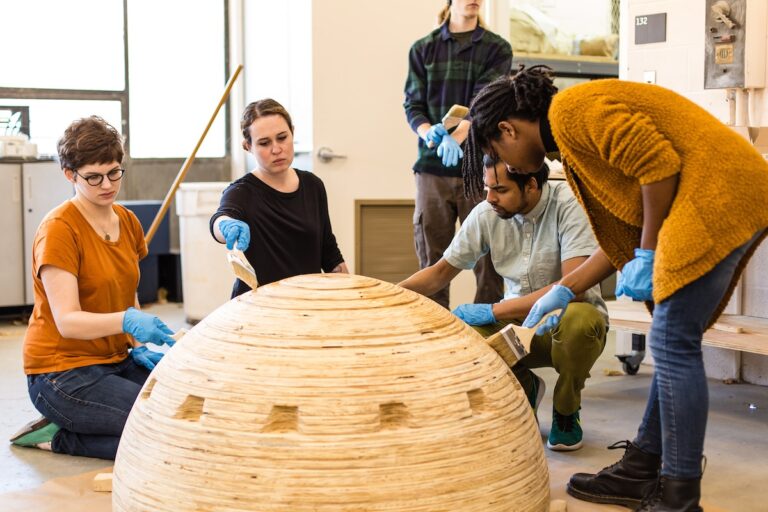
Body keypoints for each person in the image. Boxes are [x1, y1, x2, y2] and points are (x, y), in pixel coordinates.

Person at [461, 66, 768, 511]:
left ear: (508, 129)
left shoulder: (571, 112)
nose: (506, 164)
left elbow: (657, 166)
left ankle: (678, 497)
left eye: (497, 150)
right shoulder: (569, 146)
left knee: (671, 340)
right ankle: (642, 467)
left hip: (722, 191)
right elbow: (622, 228)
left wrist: (645, 254)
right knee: (672, 339)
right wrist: (566, 289)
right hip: (718, 191)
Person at [399, 156, 607, 451]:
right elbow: (440, 272)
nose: (490, 198)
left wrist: (491, 310)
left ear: (531, 185)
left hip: (564, 318)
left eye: (500, 189)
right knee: (465, 338)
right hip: (518, 326)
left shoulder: (568, 205)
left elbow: (576, 286)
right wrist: (388, 293)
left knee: (580, 323)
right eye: (486, 188)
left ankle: (566, 409)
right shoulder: (487, 213)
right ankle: (525, 390)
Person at [10, 116, 176, 460]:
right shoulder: (59, 229)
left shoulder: (128, 221)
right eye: (93, 177)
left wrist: (134, 344)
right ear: (70, 174)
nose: (107, 184)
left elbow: (126, 290)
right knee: (154, 432)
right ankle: (57, 437)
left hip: (114, 360)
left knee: (180, 408)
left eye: (114, 172)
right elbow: (68, 321)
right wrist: (126, 321)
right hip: (61, 373)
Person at [403, 0, 511, 309]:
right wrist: (430, 134)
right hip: (431, 171)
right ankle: (433, 334)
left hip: (480, 169)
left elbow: (484, 102)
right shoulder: (423, 49)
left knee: (491, 259)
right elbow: (413, 105)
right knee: (431, 259)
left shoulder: (496, 49)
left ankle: (488, 334)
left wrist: (458, 135)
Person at [210, 98, 347, 297]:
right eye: (264, 143)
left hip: (306, 302)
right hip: (259, 307)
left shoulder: (313, 185)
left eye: (282, 137)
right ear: (248, 146)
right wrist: (225, 226)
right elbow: (221, 218)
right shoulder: (241, 191)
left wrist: (349, 296)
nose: (276, 149)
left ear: (292, 132)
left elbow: (329, 252)